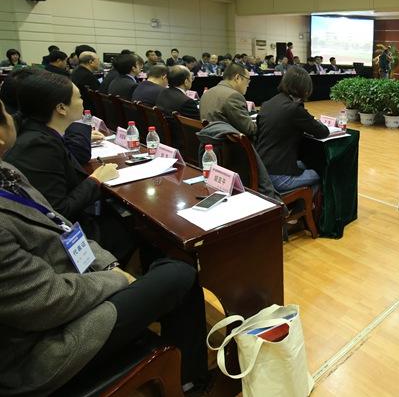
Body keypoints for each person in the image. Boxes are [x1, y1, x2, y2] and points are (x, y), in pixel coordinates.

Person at [0, 101, 209, 397]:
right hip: (42, 349)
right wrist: (115, 279)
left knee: (157, 258)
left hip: (71, 283)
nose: (14, 116)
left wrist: (108, 266)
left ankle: (179, 369)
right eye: (5, 113)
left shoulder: (6, 172)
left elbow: (59, 225)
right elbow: (46, 302)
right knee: (180, 273)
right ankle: (191, 384)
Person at [3, 72, 136, 259]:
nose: (83, 102)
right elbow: (59, 211)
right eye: (79, 97)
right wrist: (96, 179)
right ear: (61, 108)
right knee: (132, 228)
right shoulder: (39, 145)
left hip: (64, 225)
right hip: (64, 238)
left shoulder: (41, 132)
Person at [256, 67, 328, 194]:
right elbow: (322, 132)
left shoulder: (267, 104)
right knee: (321, 172)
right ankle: (304, 205)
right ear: (304, 88)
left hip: (262, 171)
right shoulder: (294, 109)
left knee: (305, 164)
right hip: (279, 176)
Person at [199, 63, 256, 137]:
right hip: (229, 142)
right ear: (237, 78)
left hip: (210, 139)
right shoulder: (233, 96)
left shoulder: (207, 93)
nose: (248, 85)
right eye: (248, 80)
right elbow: (250, 129)